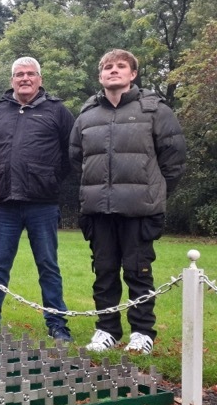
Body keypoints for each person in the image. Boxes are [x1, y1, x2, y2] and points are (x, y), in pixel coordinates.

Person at [70, 49, 186, 355]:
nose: (113, 71)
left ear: (133, 74)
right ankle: (106, 330)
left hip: (140, 210)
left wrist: (154, 192)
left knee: (138, 272)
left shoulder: (154, 110)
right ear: (100, 75)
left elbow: (174, 160)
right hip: (99, 210)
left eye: (121, 66)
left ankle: (142, 333)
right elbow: (76, 160)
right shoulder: (86, 115)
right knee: (104, 271)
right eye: (107, 67)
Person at [0, 57, 75, 342]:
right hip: (5, 203)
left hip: (42, 203)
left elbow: (72, 152)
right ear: (12, 81)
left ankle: (57, 324)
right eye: (19, 74)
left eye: (30, 74)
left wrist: (51, 179)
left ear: (40, 79)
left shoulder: (57, 111)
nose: (25, 79)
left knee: (48, 265)